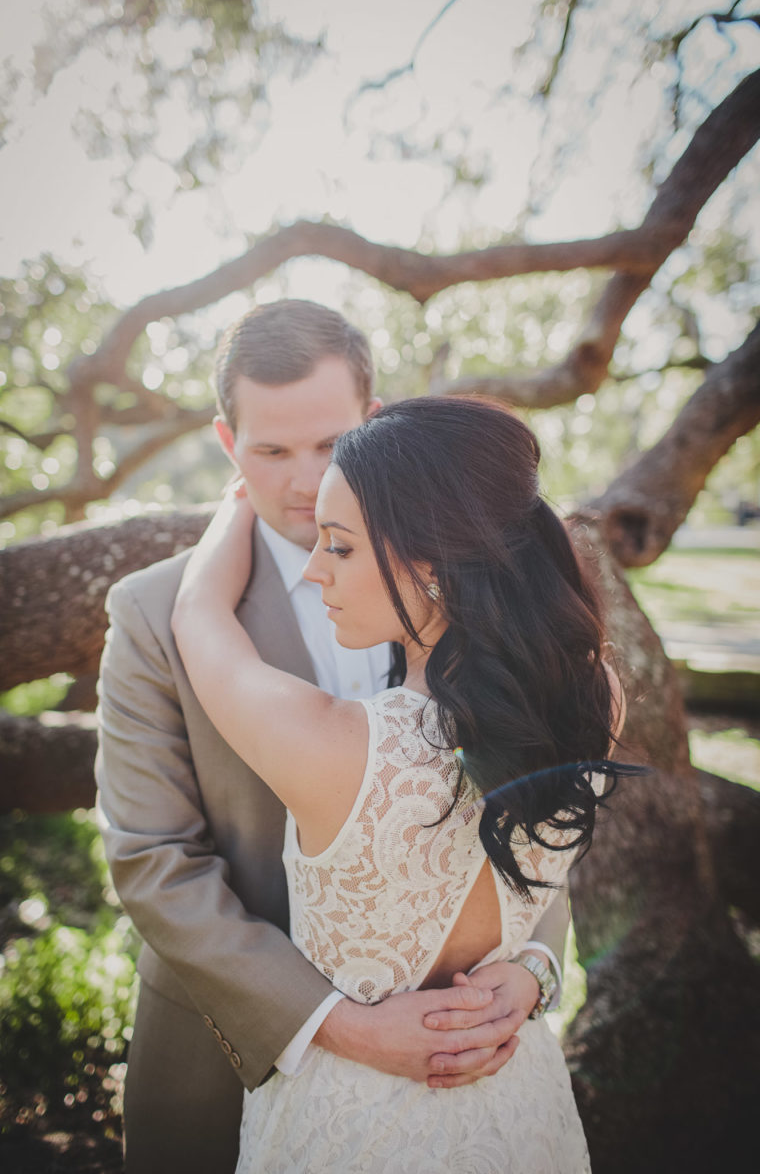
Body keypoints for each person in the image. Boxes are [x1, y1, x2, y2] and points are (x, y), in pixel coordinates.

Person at [95, 301, 571, 1173]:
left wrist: (535, 961)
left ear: (375, 423)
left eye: (329, 444)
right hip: (226, 1054)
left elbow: (542, 792)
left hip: (471, 1071)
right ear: (226, 441)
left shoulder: (470, 592)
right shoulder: (154, 611)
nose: (306, 482)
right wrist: (337, 1024)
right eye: (271, 450)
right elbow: (153, 858)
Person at [172, 394, 629, 1173]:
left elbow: (195, 618)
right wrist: (532, 970)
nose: (315, 569)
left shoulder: (330, 746)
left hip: (349, 1128)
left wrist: (235, 506)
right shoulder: (595, 700)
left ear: (433, 564)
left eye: (340, 547)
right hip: (517, 1107)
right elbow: (540, 892)